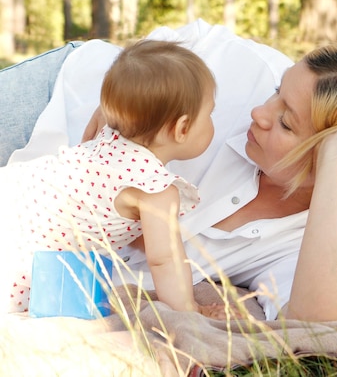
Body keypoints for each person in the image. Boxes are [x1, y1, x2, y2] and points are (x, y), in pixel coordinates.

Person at [0, 20, 337, 322]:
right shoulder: (240, 66)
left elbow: (331, 321)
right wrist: (125, 94)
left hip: (31, 238)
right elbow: (166, 43)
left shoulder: (303, 241)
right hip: (53, 103)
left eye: (286, 122)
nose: (259, 113)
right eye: (275, 93)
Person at [0, 39, 224, 317]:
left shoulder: (111, 133)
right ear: (182, 128)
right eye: (210, 113)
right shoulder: (156, 190)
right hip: (20, 242)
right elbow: (165, 261)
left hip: (15, 191)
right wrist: (190, 309)